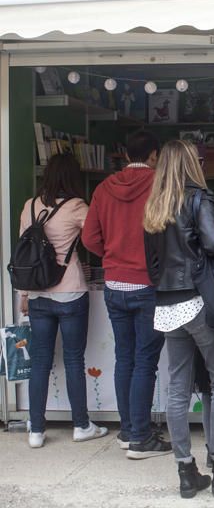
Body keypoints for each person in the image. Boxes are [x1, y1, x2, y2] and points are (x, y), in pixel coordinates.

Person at [143, 140, 214, 498]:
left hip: (167, 305)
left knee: (178, 388)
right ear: (192, 164)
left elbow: (152, 265)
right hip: (200, 300)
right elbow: (213, 245)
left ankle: (186, 471)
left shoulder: (154, 206)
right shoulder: (199, 199)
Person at [82, 130, 171, 459]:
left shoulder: (104, 188)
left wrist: (111, 254)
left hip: (114, 284)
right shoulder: (159, 185)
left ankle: (128, 430)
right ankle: (141, 438)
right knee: (146, 362)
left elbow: (89, 237)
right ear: (153, 155)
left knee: (125, 358)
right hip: (148, 285)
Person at [19, 153, 109, 449]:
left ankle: (35, 429)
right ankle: (81, 425)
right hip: (70, 292)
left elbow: (24, 257)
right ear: (72, 177)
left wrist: (24, 297)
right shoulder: (76, 207)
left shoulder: (29, 206)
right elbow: (96, 238)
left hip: (38, 295)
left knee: (40, 361)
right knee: (73, 359)